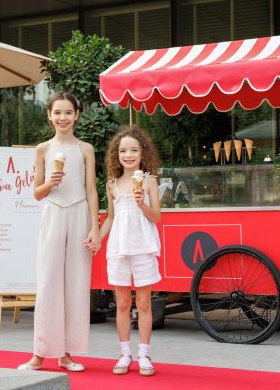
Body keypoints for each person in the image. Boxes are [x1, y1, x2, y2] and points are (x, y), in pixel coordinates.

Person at [18, 91, 100, 372]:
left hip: (79, 215)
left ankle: (67, 354)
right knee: (48, 284)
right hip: (52, 213)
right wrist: (50, 183)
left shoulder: (85, 149)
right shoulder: (42, 149)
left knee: (76, 285)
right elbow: (37, 194)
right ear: (49, 116)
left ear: (77, 114)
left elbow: (91, 191)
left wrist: (95, 229)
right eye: (57, 113)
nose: (62, 117)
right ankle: (39, 354)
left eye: (68, 112)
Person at [95, 126, 162, 377]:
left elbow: (156, 217)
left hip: (143, 248)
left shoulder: (149, 182)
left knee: (144, 303)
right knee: (122, 303)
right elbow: (110, 219)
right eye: (123, 150)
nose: (128, 155)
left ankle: (144, 354)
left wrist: (141, 202)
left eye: (134, 150)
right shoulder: (112, 185)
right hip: (118, 250)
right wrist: (97, 239)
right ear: (117, 155)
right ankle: (125, 354)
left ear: (142, 153)